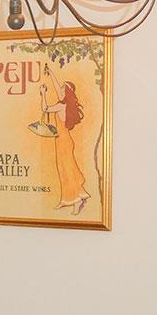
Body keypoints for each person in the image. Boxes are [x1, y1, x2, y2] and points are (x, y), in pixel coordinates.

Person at [38, 64, 89, 215]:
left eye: (61, 89)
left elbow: (45, 109)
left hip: (63, 142)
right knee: (67, 169)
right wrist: (51, 72)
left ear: (66, 93)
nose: (58, 90)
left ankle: (75, 201)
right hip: (64, 140)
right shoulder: (66, 104)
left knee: (66, 170)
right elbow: (56, 86)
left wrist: (42, 94)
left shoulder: (61, 106)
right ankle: (73, 197)